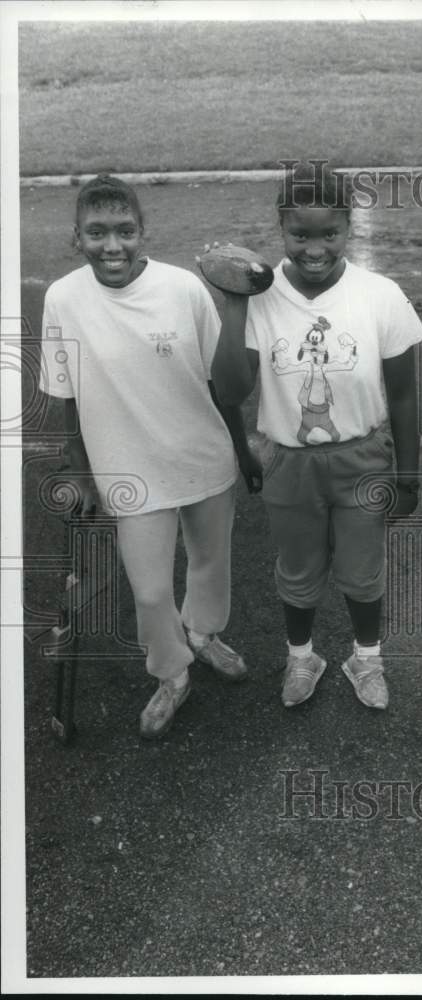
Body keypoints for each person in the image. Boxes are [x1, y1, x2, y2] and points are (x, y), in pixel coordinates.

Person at [39, 174, 260, 739]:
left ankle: (204, 634)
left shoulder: (182, 289)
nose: (112, 246)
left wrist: (243, 451)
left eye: (124, 231)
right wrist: (82, 475)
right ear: (76, 237)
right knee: (150, 590)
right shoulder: (63, 298)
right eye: (96, 233)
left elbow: (220, 387)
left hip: (203, 458)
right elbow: (65, 395)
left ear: (143, 232)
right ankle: (171, 672)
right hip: (127, 470)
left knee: (211, 564)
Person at [211, 160, 422, 710]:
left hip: (363, 459)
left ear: (348, 228)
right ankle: (301, 655)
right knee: (298, 572)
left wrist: (408, 475)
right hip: (290, 461)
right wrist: (235, 304)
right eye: (299, 233)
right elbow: (231, 390)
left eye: (329, 233)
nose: (314, 248)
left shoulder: (380, 296)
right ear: (281, 227)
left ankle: (367, 658)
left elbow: (404, 395)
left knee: (362, 573)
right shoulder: (260, 297)